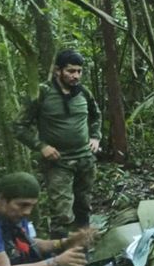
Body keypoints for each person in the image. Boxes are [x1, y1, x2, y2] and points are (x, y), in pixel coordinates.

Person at [14, 49, 101, 238]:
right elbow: (19, 126)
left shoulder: (84, 93)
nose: (76, 75)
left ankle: (82, 248)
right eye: (70, 71)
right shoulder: (42, 93)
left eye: (79, 71)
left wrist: (95, 137)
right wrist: (41, 146)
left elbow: (96, 116)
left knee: (84, 207)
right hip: (58, 162)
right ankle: (61, 252)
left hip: (85, 159)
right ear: (57, 71)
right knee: (62, 214)